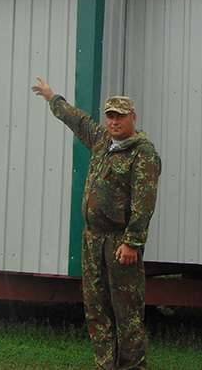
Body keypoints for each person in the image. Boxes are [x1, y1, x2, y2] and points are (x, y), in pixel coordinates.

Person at [31, 77, 161, 370]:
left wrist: (132, 242)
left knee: (126, 311)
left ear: (133, 118)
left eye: (120, 116)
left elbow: (144, 202)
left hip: (120, 245)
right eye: (110, 115)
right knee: (96, 308)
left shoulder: (143, 153)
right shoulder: (103, 141)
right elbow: (78, 121)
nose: (114, 121)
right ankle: (105, 364)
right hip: (93, 240)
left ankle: (131, 366)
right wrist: (53, 97)